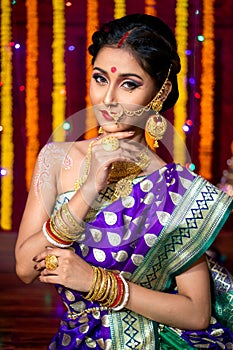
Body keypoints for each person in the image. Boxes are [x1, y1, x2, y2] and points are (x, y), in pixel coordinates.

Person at [15, 13, 233, 349]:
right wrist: (88, 189)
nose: (108, 99)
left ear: (160, 92)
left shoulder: (179, 190)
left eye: (129, 84)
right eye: (100, 79)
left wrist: (96, 283)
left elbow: (196, 313)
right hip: (76, 339)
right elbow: (25, 268)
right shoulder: (56, 159)